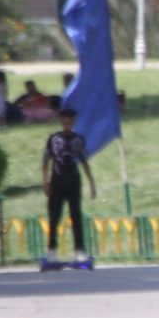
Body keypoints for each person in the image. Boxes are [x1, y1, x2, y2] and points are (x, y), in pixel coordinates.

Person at [41, 107, 96, 262]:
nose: (67, 124)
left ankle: (79, 250)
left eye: (70, 121)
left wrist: (91, 182)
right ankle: (52, 250)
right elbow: (45, 161)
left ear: (73, 122)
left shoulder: (78, 139)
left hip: (73, 181)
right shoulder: (53, 139)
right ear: (61, 121)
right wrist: (45, 181)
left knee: (76, 216)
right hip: (57, 181)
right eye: (64, 120)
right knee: (54, 217)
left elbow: (84, 162)